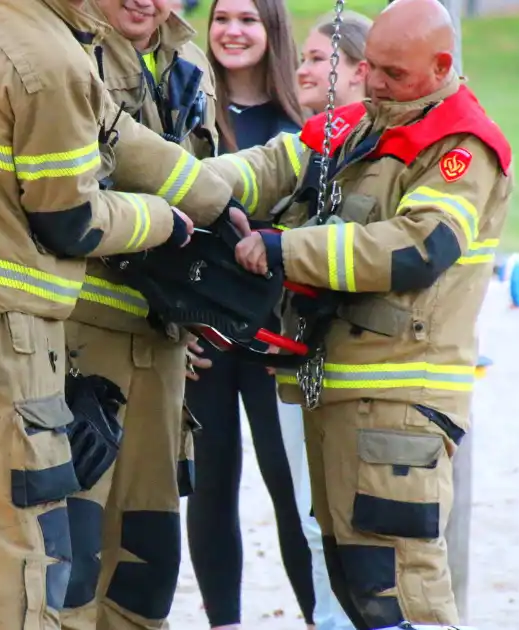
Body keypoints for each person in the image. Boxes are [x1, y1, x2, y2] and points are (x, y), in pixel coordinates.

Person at [0, 0, 249, 627]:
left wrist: (212, 198)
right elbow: (70, 219)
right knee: (24, 544)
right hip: (3, 326)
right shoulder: (54, 62)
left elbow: (119, 136)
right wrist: (163, 222)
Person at [210, 0, 515, 626]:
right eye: (369, 66)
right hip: (347, 400)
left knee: (401, 594)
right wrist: (185, 186)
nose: (373, 82)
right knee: (354, 589)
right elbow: (271, 166)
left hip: (400, 405)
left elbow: (417, 247)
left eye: (392, 73)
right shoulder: (361, 124)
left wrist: (283, 250)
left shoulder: (461, 146)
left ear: (440, 66)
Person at [55, 1, 221, 629]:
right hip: (79, 339)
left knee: (146, 562)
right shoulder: (66, 52)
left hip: (163, 348)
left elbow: (200, 184)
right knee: (67, 556)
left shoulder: (190, 60)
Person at [182, 1, 322, 629]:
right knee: (210, 486)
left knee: (293, 494)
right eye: (222, 18)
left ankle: (321, 615)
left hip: (275, 341)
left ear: (273, 33)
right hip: (206, 335)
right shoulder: (188, 113)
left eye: (249, 19)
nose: (233, 31)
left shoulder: (304, 124)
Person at [275, 13, 373, 630]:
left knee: (351, 521)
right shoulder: (311, 144)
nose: (303, 69)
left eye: (317, 58)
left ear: (358, 69)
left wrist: (279, 245)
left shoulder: (367, 152)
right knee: (314, 518)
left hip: (351, 364)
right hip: (302, 360)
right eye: (304, 58)